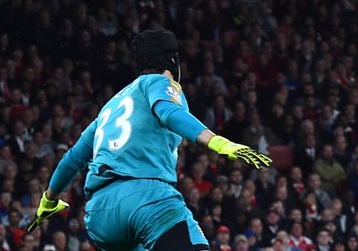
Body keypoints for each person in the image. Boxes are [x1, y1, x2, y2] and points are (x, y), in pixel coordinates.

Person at [27, 29, 273, 250]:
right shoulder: (161, 82)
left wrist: (48, 200)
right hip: (145, 199)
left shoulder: (109, 107)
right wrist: (219, 142)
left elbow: (72, 159)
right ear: (173, 60)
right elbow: (169, 112)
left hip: (101, 215)